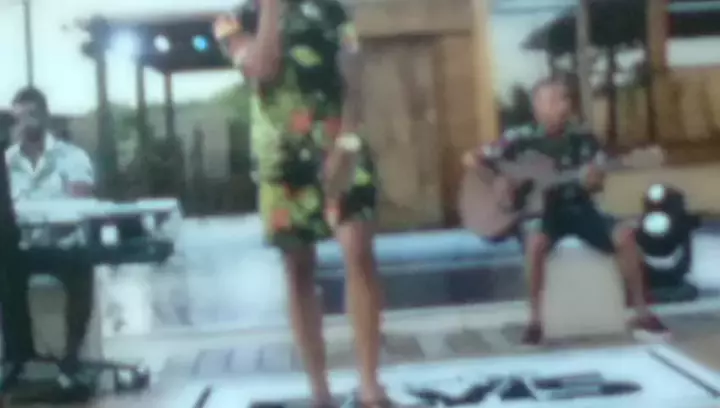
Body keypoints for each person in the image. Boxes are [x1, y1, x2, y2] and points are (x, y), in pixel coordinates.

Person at [213, 1, 389, 407]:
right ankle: (320, 391)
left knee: (359, 252)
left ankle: (369, 385)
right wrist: (271, 8)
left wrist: (347, 145)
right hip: (284, 158)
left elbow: (355, 80)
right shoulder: (231, 22)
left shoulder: (332, 11)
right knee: (298, 269)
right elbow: (262, 68)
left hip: (341, 144)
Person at [464, 77, 668, 345]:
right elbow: (470, 158)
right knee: (535, 243)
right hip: (542, 213)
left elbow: (596, 183)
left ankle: (642, 312)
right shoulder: (519, 138)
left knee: (626, 235)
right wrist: (502, 182)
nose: (562, 106)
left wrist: (595, 180)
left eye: (564, 99)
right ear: (537, 107)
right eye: (553, 100)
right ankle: (535, 321)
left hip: (580, 208)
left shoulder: (583, 137)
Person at [0, 87, 96, 399]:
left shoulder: (72, 157)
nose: (27, 122)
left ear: (46, 115)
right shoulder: (6, 160)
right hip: (21, 247)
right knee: (6, 271)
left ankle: (71, 360)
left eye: (32, 114)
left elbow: (80, 207)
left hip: (61, 244)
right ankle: (17, 358)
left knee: (82, 266)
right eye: (20, 116)